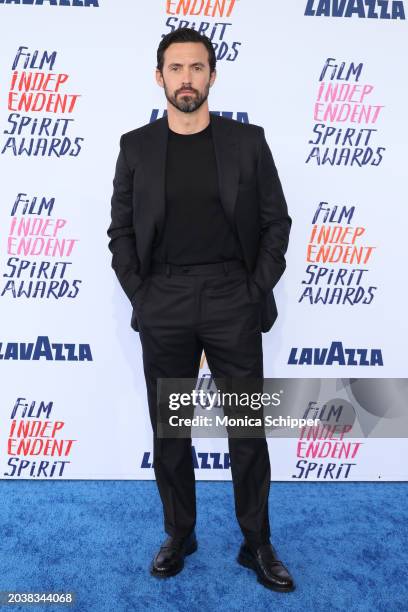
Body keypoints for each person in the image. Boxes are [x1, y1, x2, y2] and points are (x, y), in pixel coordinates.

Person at [107, 27, 294, 593]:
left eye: (196, 68)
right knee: (172, 431)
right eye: (175, 68)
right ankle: (179, 534)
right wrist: (142, 294)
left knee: (247, 429)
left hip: (230, 297)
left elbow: (275, 224)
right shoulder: (134, 146)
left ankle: (255, 541)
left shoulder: (248, 142)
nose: (186, 79)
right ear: (159, 76)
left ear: (213, 75)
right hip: (163, 298)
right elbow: (119, 232)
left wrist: (253, 289)